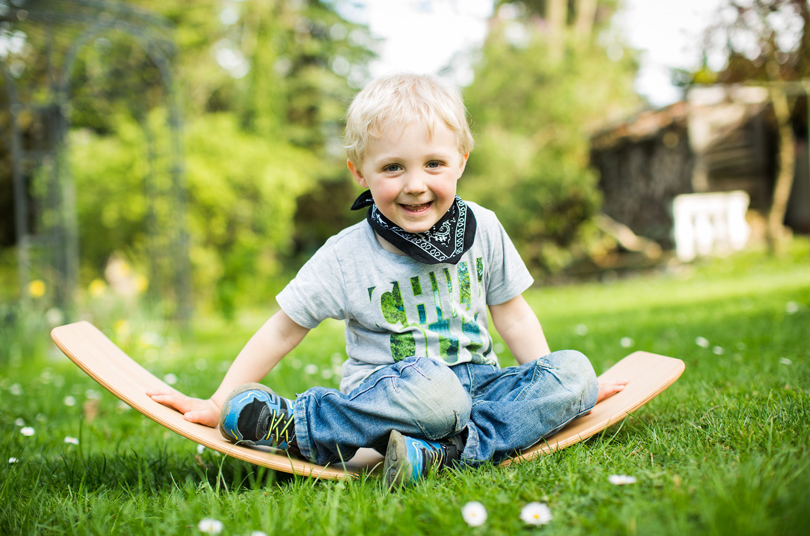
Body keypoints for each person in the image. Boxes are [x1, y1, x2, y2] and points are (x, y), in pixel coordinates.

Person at [148, 73, 626, 487]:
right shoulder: (346, 256)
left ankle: (445, 454)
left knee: (575, 370)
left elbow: (514, 314)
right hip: (397, 394)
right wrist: (218, 399)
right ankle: (297, 425)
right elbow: (282, 327)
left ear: (461, 159)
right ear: (360, 173)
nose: (415, 183)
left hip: (481, 386)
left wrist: (555, 390)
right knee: (440, 396)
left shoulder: (483, 228)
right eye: (393, 167)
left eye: (433, 164)